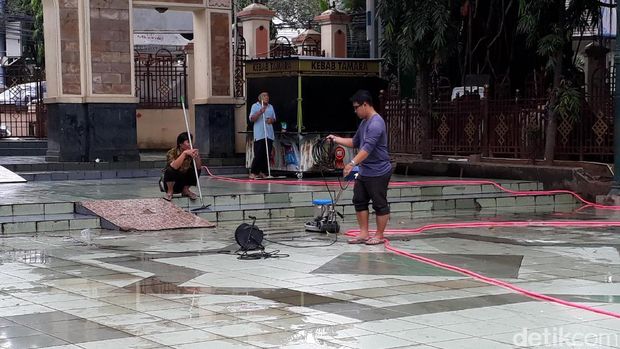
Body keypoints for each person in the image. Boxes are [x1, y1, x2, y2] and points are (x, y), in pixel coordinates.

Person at [327, 90, 392, 245]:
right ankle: (363, 233)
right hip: (365, 170)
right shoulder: (364, 123)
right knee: (359, 200)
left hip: (379, 171)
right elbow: (356, 142)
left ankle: (379, 235)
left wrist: (351, 164)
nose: (355, 111)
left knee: (379, 203)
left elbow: (366, 149)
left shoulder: (376, 123)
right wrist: (336, 139)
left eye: (356, 107)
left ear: (365, 104)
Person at [163, 132, 202, 201]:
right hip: (172, 182)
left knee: (196, 169)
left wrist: (197, 156)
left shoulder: (191, 153)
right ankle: (170, 192)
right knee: (170, 169)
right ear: (180, 144)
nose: (190, 144)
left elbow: (198, 167)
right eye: (188, 142)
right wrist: (184, 153)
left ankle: (185, 190)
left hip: (183, 182)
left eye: (191, 142)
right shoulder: (172, 152)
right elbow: (174, 167)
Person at [248, 92, 276, 179]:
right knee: (259, 154)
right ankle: (253, 172)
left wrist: (271, 120)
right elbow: (252, 119)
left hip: (269, 133)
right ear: (260, 98)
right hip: (260, 134)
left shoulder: (271, 107)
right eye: (264, 96)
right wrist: (260, 112)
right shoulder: (255, 106)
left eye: (267, 95)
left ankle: (264, 172)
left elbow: (274, 118)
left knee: (267, 154)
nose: (267, 97)